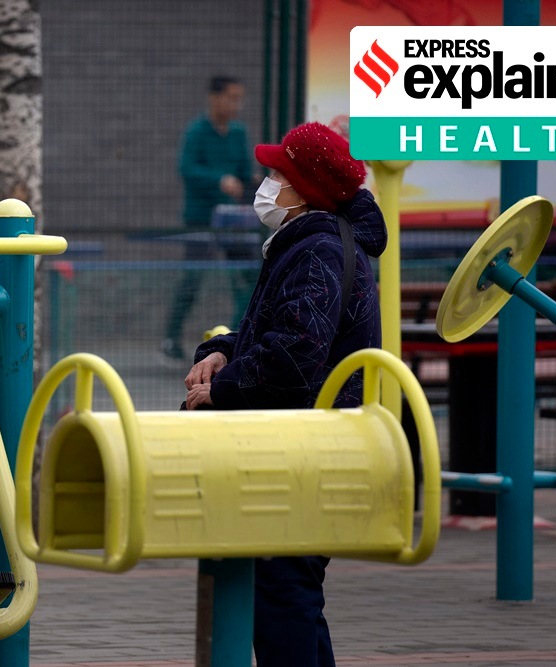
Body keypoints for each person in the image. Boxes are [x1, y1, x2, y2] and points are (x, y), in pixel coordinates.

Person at [182, 122, 387, 666]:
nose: (265, 183)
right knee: (291, 595)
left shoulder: (316, 250)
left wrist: (220, 389)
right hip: (311, 443)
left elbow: (296, 352)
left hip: (305, 450)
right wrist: (225, 348)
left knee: (282, 595)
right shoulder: (310, 243)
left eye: (276, 174)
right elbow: (282, 325)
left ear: (302, 190)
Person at [162, 75, 253, 363]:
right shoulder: (197, 132)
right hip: (201, 218)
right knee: (193, 277)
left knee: (250, 275)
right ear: (214, 98)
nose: (235, 104)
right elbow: (187, 169)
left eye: (239, 98)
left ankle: (238, 335)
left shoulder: (238, 133)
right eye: (230, 97)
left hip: (234, 221)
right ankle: (170, 338)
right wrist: (219, 180)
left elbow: (244, 171)